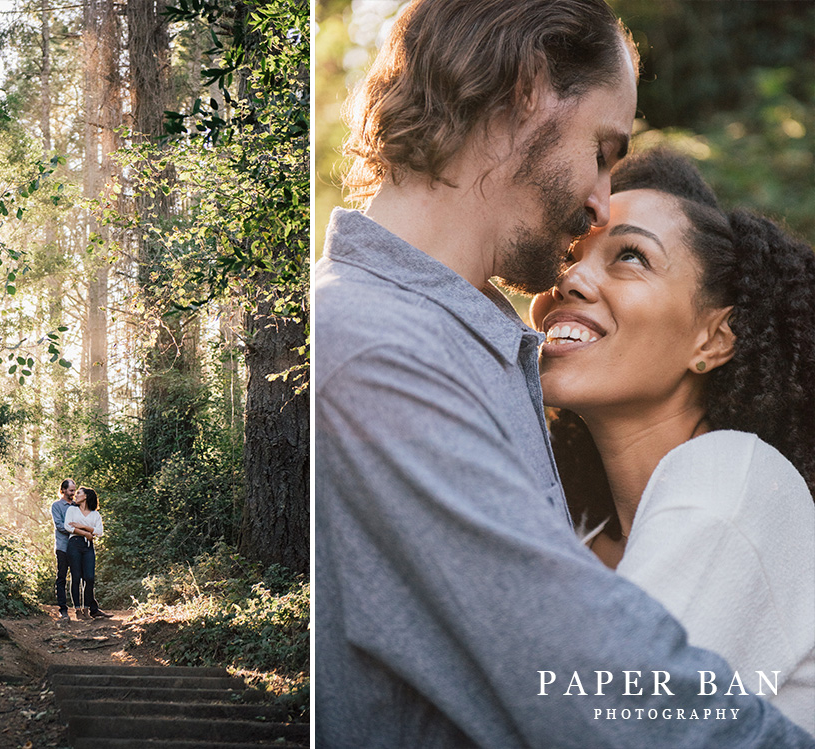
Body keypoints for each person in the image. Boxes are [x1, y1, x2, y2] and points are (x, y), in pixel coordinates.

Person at [313, 0, 815, 746]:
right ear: (530, 85)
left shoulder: (472, 349)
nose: (598, 202)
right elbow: (608, 701)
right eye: (604, 149)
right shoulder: (378, 351)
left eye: (631, 255)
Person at [529, 147, 815, 733]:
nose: (570, 280)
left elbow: (598, 729)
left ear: (713, 339)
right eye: (568, 257)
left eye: (630, 257)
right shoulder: (571, 525)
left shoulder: (734, 480)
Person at [64, 486, 108, 619]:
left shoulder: (95, 514)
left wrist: (81, 526)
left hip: (88, 547)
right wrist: (86, 533)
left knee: (89, 578)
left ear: (86, 496)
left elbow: (99, 532)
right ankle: (77, 610)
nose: (75, 495)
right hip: (74, 545)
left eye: (78, 493)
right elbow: (68, 526)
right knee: (76, 577)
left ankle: (87, 608)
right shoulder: (72, 509)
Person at [51, 478, 77, 620]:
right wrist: (77, 530)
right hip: (62, 547)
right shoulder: (57, 506)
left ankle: (81, 608)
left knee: (78, 577)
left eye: (74, 490)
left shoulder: (77, 505)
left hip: (76, 547)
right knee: (61, 577)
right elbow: (59, 526)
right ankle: (63, 609)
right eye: (71, 490)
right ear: (63, 490)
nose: (73, 493)